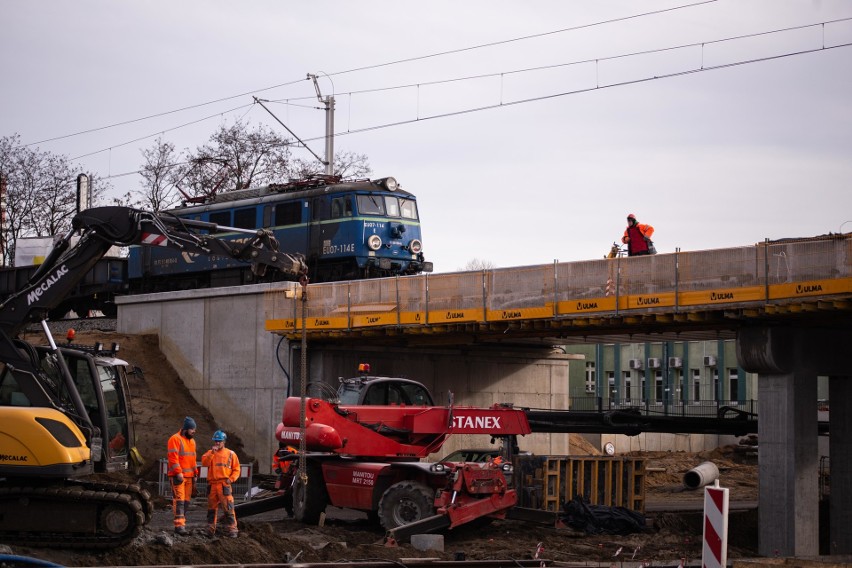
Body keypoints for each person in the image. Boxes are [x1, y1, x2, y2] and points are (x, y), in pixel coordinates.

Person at [202, 430, 241, 538]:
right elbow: (204, 463)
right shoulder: (210, 453)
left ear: (224, 442)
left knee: (228, 508)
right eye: (216, 441)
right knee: (211, 509)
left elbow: (237, 469)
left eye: (219, 441)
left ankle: (232, 529)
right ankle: (210, 529)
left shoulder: (231, 454)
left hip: (224, 484)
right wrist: (212, 453)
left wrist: (231, 479)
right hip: (213, 484)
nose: (217, 443)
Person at [167, 416, 198, 536]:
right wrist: (178, 472)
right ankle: (179, 526)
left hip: (189, 476)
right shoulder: (175, 439)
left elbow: (193, 459)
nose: (194, 431)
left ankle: (182, 523)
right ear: (186, 429)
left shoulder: (192, 441)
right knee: (179, 500)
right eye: (192, 429)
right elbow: (173, 458)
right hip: (178, 476)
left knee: (185, 501)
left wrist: (195, 473)